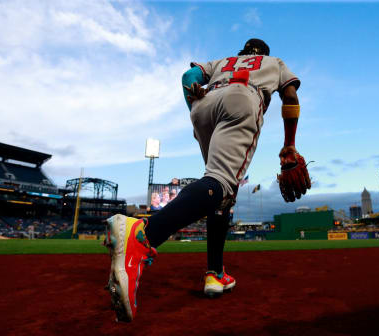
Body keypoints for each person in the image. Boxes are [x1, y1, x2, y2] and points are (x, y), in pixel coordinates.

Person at [104, 38, 311, 322]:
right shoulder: (273, 63)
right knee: (222, 184)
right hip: (241, 101)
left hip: (203, 106)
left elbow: (189, 77)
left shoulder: (222, 62)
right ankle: (143, 234)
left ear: (243, 51)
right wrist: (289, 145)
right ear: (263, 53)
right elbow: (290, 97)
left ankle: (215, 273)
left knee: (220, 191)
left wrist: (194, 103)